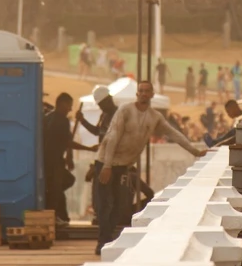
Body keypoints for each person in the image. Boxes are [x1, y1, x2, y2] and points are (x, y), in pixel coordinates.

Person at [94, 80, 206, 253]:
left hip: (123, 166)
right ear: (137, 94)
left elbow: (173, 133)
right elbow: (113, 136)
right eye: (141, 91)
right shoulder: (125, 110)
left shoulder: (154, 117)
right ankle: (103, 240)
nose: (144, 94)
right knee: (104, 203)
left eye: (147, 91)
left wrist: (194, 150)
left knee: (120, 203)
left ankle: (108, 237)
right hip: (105, 162)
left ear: (152, 94)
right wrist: (107, 165)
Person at [42, 93, 94, 224]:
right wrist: (89, 148)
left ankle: (59, 214)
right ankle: (56, 214)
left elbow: (65, 140)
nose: (70, 109)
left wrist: (69, 157)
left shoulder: (47, 118)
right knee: (58, 188)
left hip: (48, 161)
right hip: (54, 162)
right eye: (69, 106)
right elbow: (67, 142)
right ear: (62, 104)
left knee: (62, 185)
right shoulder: (62, 121)